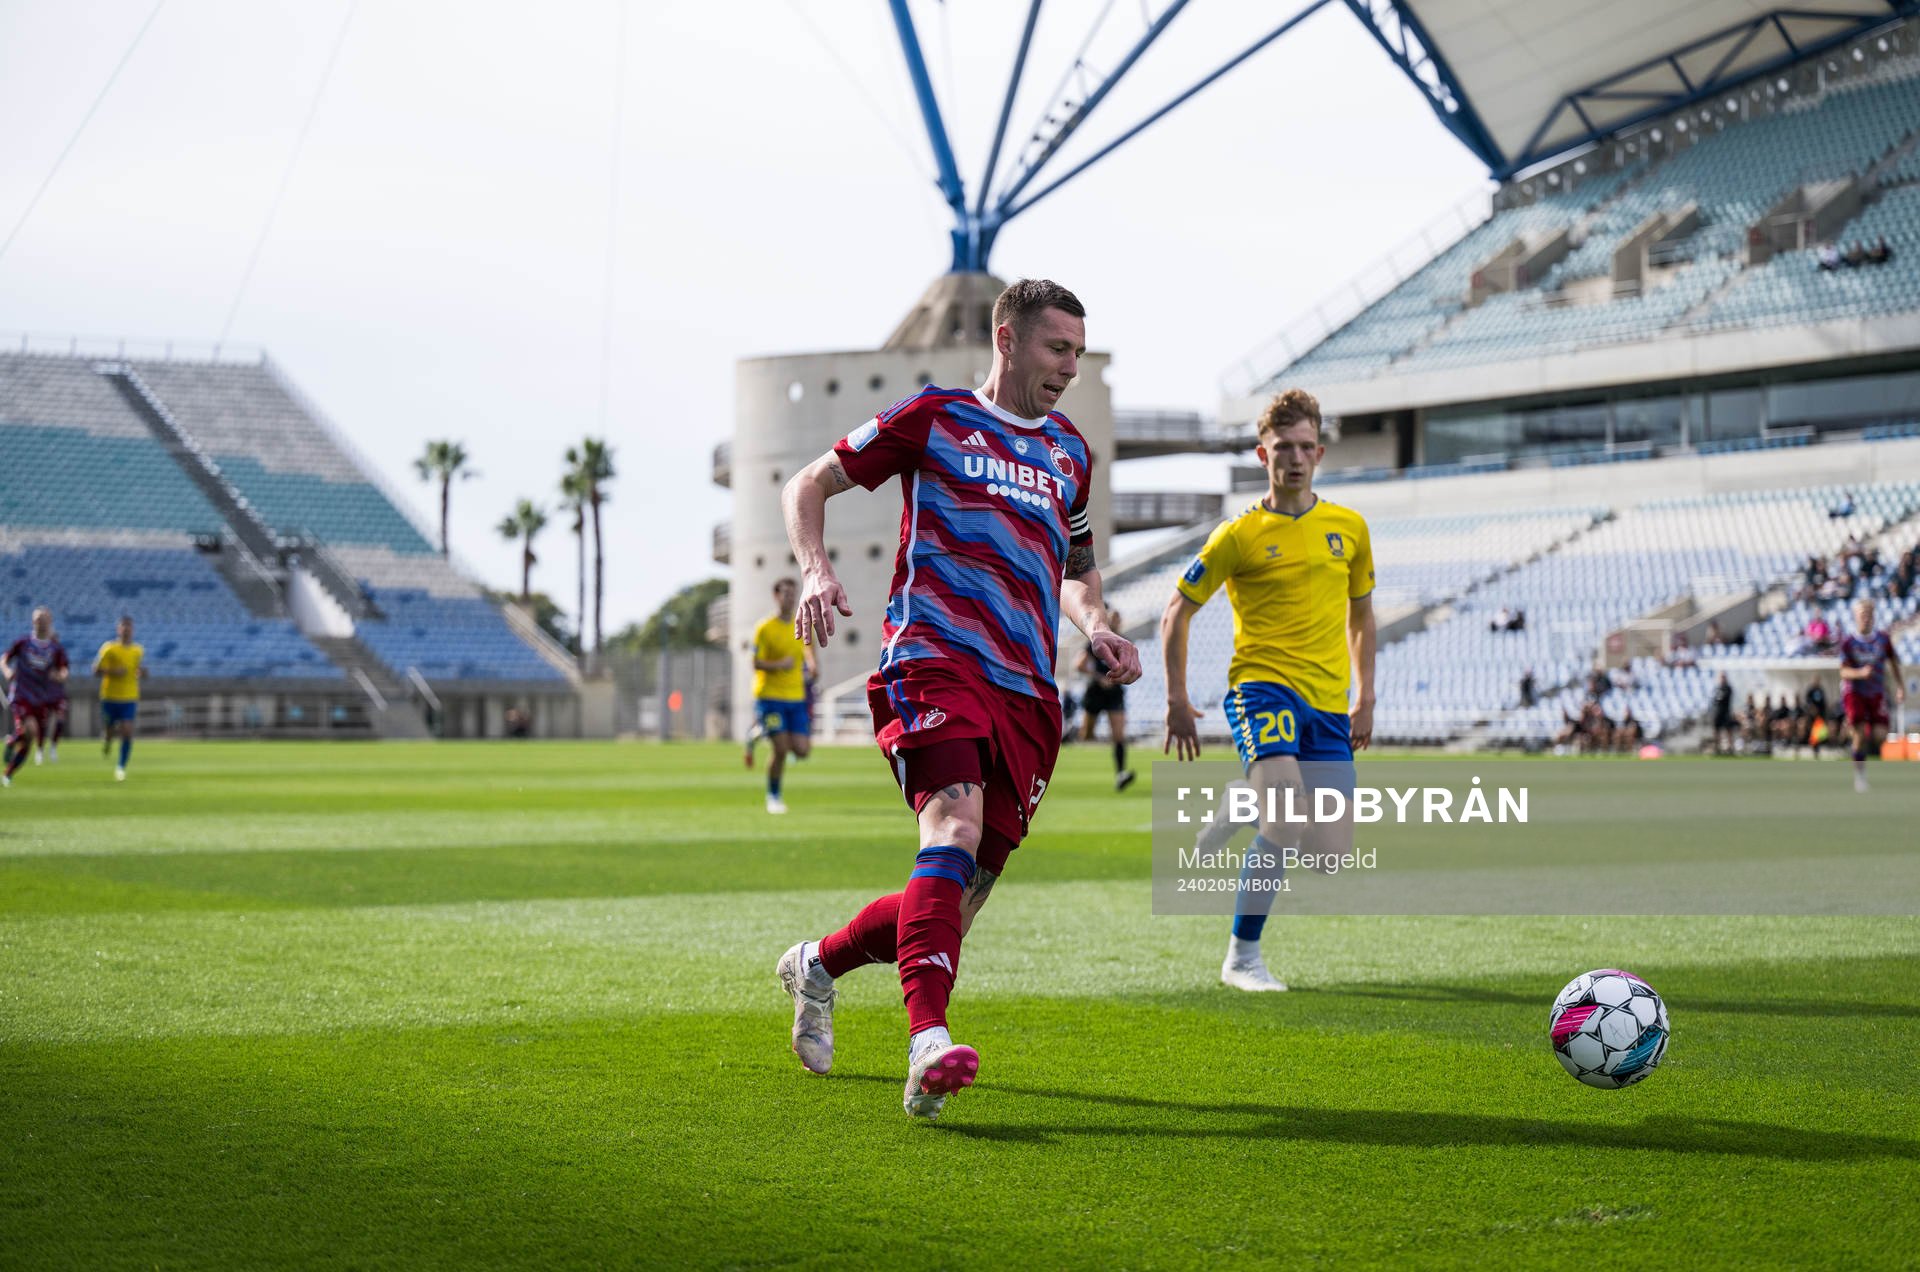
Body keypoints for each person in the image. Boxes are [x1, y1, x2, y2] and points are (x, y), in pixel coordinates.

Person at [771, 278, 1140, 1120]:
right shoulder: (933, 417)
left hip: (1028, 695)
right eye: (1058, 348)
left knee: (956, 901)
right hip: (933, 660)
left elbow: (1077, 571)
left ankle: (818, 964)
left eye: (1080, 353)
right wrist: (816, 570)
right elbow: (808, 484)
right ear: (1007, 341)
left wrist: (1096, 627)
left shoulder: (1070, 455)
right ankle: (927, 1044)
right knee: (953, 828)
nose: (1071, 368)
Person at [1161, 387, 1376, 993]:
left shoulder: (1350, 528)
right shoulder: (1240, 534)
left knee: (1330, 855)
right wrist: (1177, 700)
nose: (1296, 458)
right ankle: (1242, 958)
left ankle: (1242, 802)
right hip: (1263, 688)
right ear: (1263, 454)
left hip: (1331, 704)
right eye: (1284, 447)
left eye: (1307, 447)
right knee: (1286, 818)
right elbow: (1176, 611)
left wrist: (1367, 696)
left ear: (1321, 452)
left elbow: (1362, 616)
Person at [745, 578, 815, 813]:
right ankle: (773, 795)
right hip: (770, 697)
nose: (790, 598)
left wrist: (814, 667)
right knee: (781, 749)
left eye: (793, 594)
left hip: (796, 697)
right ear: (776, 596)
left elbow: (808, 650)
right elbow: (755, 662)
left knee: (803, 750)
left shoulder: (801, 624)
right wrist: (778, 665)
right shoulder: (764, 628)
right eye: (785, 594)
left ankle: (757, 733)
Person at [1838, 597, 1905, 794]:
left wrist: (1900, 686)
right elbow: (1843, 671)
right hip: (1855, 692)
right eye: (1862, 615)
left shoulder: (1883, 640)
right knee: (1859, 733)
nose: (1865, 618)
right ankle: (1860, 777)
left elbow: (1893, 663)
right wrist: (1860, 673)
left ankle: (1852, 730)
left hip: (1876, 692)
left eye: (1869, 615)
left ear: (1873, 617)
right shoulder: (1848, 642)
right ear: (1855, 617)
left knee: (1880, 735)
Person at [2, 608, 69, 786]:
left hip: (41, 698)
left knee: (28, 741)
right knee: (31, 730)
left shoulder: (55, 649)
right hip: (21, 694)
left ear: (51, 621)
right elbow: (4, 658)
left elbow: (63, 669)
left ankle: (8, 772)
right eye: (39, 619)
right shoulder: (23, 643)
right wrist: (7, 671)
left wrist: (61, 676)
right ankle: (13, 741)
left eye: (45, 619)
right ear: (33, 622)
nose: (42, 622)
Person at [1076, 607, 1135, 791]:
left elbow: (1131, 668)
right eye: (1113, 619)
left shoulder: (1125, 643)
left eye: (1118, 619)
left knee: (1119, 735)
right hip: (1095, 691)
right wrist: (1100, 678)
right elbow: (1079, 665)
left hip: (1114, 693)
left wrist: (1121, 677)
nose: (1116, 622)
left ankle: (1120, 774)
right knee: (1086, 734)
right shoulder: (1097, 641)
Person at [92, 615, 145, 780]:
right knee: (109, 730)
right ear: (118, 629)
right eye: (124, 627)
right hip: (109, 696)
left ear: (133, 630)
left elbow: (137, 669)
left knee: (127, 730)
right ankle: (107, 741)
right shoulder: (108, 649)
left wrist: (142, 673)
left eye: (129, 627)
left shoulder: (138, 650)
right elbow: (96, 670)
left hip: (129, 696)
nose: (126, 630)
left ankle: (121, 766)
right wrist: (114, 672)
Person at [1710, 672, 1735, 755]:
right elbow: (1714, 700)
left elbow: (1722, 698)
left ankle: (1730, 749)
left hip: (1726, 713)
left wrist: (1719, 698)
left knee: (1729, 731)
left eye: (1723, 677)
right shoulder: (1717, 688)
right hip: (1717, 713)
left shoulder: (1728, 688)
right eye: (1721, 677)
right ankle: (1717, 748)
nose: (1722, 679)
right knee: (1716, 731)